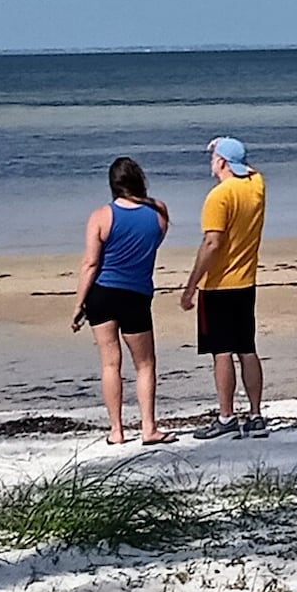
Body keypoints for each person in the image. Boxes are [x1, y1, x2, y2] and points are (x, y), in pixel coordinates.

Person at [73, 157, 172, 446]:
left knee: (109, 364)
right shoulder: (158, 210)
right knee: (144, 364)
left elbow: (90, 264)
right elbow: (154, 241)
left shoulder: (101, 216)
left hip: (102, 293)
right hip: (136, 294)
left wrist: (79, 304)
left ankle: (116, 430)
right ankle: (148, 428)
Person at [179, 135, 268, 437]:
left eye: (214, 158)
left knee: (222, 352)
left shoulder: (219, 196)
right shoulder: (256, 186)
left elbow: (212, 243)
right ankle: (255, 415)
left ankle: (227, 416)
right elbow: (251, 170)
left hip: (219, 285)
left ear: (222, 163)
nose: (211, 163)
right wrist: (229, 148)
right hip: (246, 282)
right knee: (247, 348)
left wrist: (191, 285)